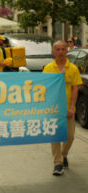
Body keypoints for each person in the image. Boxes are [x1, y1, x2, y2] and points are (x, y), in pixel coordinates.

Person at [43, 40, 83, 176]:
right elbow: (44, 88)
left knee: (70, 137)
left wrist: (72, 107)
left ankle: (63, 154)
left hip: (68, 109)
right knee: (55, 137)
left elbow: (75, 88)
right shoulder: (48, 68)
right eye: (57, 49)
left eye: (62, 49)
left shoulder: (73, 68)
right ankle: (58, 164)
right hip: (53, 109)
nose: (60, 52)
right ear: (53, 52)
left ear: (67, 51)